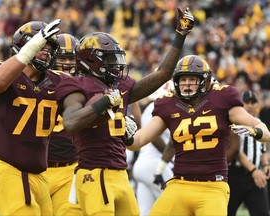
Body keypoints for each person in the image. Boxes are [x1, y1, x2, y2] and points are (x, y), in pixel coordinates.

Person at [56, 7, 194, 216]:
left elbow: (163, 74)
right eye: (110, 59)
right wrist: (103, 103)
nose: (116, 64)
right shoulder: (77, 86)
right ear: (92, 60)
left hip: (120, 173)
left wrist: (180, 35)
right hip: (95, 173)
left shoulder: (118, 85)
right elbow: (72, 122)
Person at [125, 54, 270, 216]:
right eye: (183, 79)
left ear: (205, 81)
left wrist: (255, 131)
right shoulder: (168, 104)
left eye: (192, 79)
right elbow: (138, 141)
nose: (186, 84)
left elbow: (264, 130)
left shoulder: (221, 99)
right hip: (179, 184)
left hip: (212, 187)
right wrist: (126, 134)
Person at [0, 19, 72, 215]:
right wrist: (32, 47)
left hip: (40, 175)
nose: (46, 52)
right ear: (24, 46)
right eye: (41, 46)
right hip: (7, 168)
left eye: (49, 48)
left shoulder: (59, 81)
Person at [46, 33, 82, 215]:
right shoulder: (39, 83)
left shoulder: (84, 85)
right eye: (62, 58)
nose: (68, 64)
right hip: (37, 169)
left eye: (71, 58)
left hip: (70, 168)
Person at [132, 81, 174, 216]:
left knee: (146, 212)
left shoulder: (152, 106)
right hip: (154, 165)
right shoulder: (157, 107)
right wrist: (171, 155)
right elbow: (153, 138)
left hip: (143, 165)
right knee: (174, 207)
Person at [228, 90, 270, 216]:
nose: (251, 105)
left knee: (262, 213)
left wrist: (265, 165)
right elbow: (235, 151)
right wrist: (254, 171)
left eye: (253, 102)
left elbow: (262, 150)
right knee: (226, 212)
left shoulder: (259, 123)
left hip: (255, 177)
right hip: (236, 175)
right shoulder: (234, 121)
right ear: (241, 104)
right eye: (247, 102)